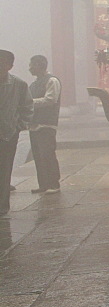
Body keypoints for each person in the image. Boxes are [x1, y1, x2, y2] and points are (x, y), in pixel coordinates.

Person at [0, 50, 33, 218]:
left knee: (4, 170)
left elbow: (27, 108)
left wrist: (18, 126)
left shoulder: (19, 85)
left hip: (7, 135)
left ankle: (2, 205)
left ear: (9, 66)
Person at [27, 55, 61, 194]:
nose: (29, 68)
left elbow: (51, 100)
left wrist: (30, 103)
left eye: (32, 65)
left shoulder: (52, 81)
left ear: (40, 65)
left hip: (47, 123)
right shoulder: (34, 84)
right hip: (34, 124)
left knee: (47, 154)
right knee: (38, 156)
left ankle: (54, 183)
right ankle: (43, 184)